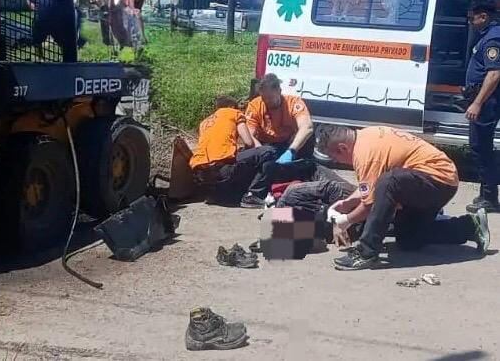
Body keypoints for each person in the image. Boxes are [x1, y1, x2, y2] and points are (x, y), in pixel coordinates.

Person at [315, 124, 490, 271]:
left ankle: (366, 252)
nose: (337, 162)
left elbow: (369, 205)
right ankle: (469, 226)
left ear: (342, 148)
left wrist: (345, 221)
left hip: (438, 180)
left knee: (389, 182)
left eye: (335, 157)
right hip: (431, 181)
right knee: (409, 239)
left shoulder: (365, 155)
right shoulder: (366, 136)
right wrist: (347, 203)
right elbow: (370, 186)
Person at [240, 73, 315, 208]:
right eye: (264, 98)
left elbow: (307, 127)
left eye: (271, 98)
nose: (267, 102)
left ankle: (303, 177)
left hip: (290, 144)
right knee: (268, 159)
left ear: (279, 92)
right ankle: (254, 194)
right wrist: (261, 151)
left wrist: (291, 151)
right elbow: (249, 135)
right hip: (267, 145)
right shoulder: (255, 105)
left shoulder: (294, 103)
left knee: (308, 138)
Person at [190, 96, 278, 206]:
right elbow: (249, 142)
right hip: (221, 169)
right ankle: (253, 195)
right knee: (269, 151)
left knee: (239, 158)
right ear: (232, 106)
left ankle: (215, 195)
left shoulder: (205, 122)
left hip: (201, 174)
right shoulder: (234, 113)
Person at [463, 0, 500, 213]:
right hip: (484, 100)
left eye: (471, 18)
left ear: (483, 16)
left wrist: (477, 103)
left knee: (480, 147)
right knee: (481, 147)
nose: (470, 22)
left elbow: (494, 74)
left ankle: (490, 198)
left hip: (487, 103)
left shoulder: (492, 39)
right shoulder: (487, 36)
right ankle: (486, 193)